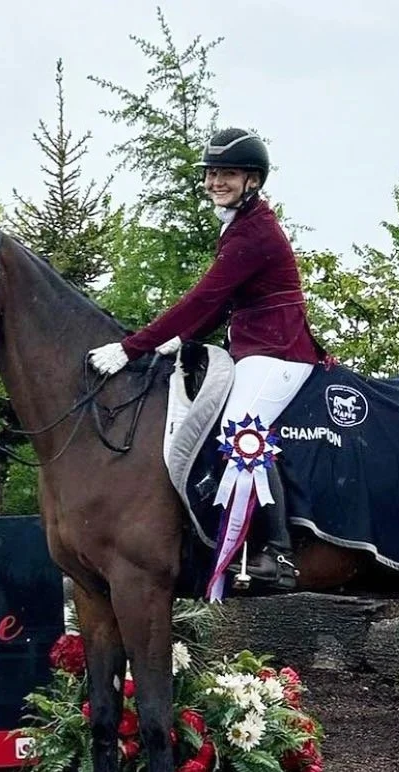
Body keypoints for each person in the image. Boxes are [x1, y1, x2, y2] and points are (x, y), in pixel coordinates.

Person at [87, 127, 325, 590]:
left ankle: (278, 553)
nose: (216, 182)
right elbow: (223, 303)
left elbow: (204, 297)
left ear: (252, 180)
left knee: (242, 430)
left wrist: (132, 347)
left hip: (279, 351)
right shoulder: (238, 223)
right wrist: (182, 339)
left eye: (228, 174)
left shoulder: (255, 232)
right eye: (212, 173)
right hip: (252, 347)